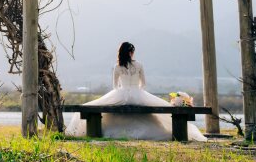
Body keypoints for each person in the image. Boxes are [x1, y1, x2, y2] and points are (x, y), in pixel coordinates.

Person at [66, 42, 206, 141]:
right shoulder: (139, 65)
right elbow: (143, 84)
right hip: (137, 93)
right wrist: (137, 91)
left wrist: (122, 91)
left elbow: (115, 86)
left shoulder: (117, 66)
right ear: (131, 52)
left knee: (103, 107)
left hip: (121, 93)